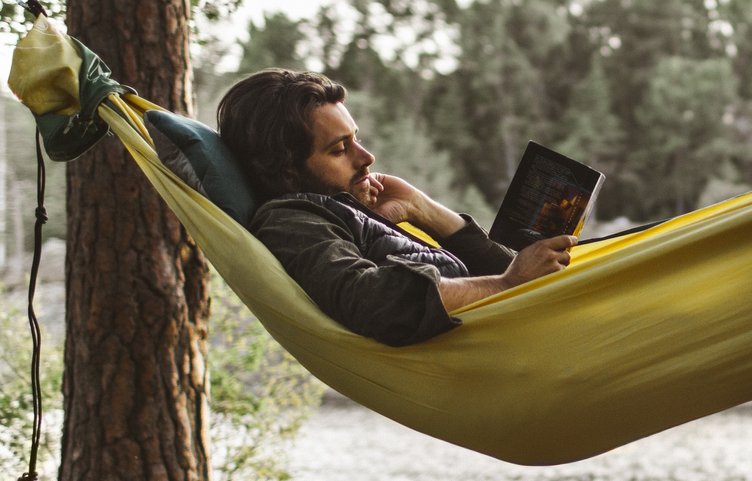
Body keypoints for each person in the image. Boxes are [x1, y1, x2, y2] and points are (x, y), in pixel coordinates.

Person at [216, 69, 573, 345]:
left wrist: (422, 208)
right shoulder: (289, 222)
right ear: (286, 168)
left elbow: (513, 275)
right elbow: (369, 299)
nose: (367, 157)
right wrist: (503, 285)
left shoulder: (340, 213)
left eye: (357, 138)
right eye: (340, 150)